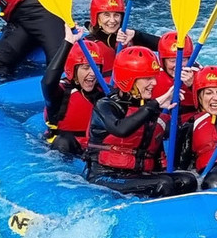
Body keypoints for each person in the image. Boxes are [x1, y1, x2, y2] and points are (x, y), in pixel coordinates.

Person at [85, 46, 198, 198]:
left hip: (138, 174)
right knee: (163, 184)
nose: (154, 83)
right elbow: (121, 129)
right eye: (147, 78)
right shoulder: (106, 105)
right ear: (128, 78)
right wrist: (154, 105)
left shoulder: (149, 108)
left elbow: (156, 152)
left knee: (187, 180)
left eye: (154, 77)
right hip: (105, 175)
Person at [41, 26, 114, 156]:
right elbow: (47, 82)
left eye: (95, 67)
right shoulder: (60, 93)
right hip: (66, 149)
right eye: (86, 67)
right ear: (72, 69)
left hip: (93, 147)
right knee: (63, 141)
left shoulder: (106, 91)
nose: (92, 73)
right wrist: (68, 42)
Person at [85, 0, 160, 52]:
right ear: (96, 17)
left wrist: (136, 35)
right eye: (106, 15)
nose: (112, 20)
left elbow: (165, 46)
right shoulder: (87, 43)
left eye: (116, 15)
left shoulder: (129, 37)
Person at [153, 31, 198, 123]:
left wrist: (193, 86)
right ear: (163, 62)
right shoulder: (151, 77)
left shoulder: (199, 75)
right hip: (162, 124)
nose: (178, 65)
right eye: (172, 60)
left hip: (191, 124)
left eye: (183, 60)